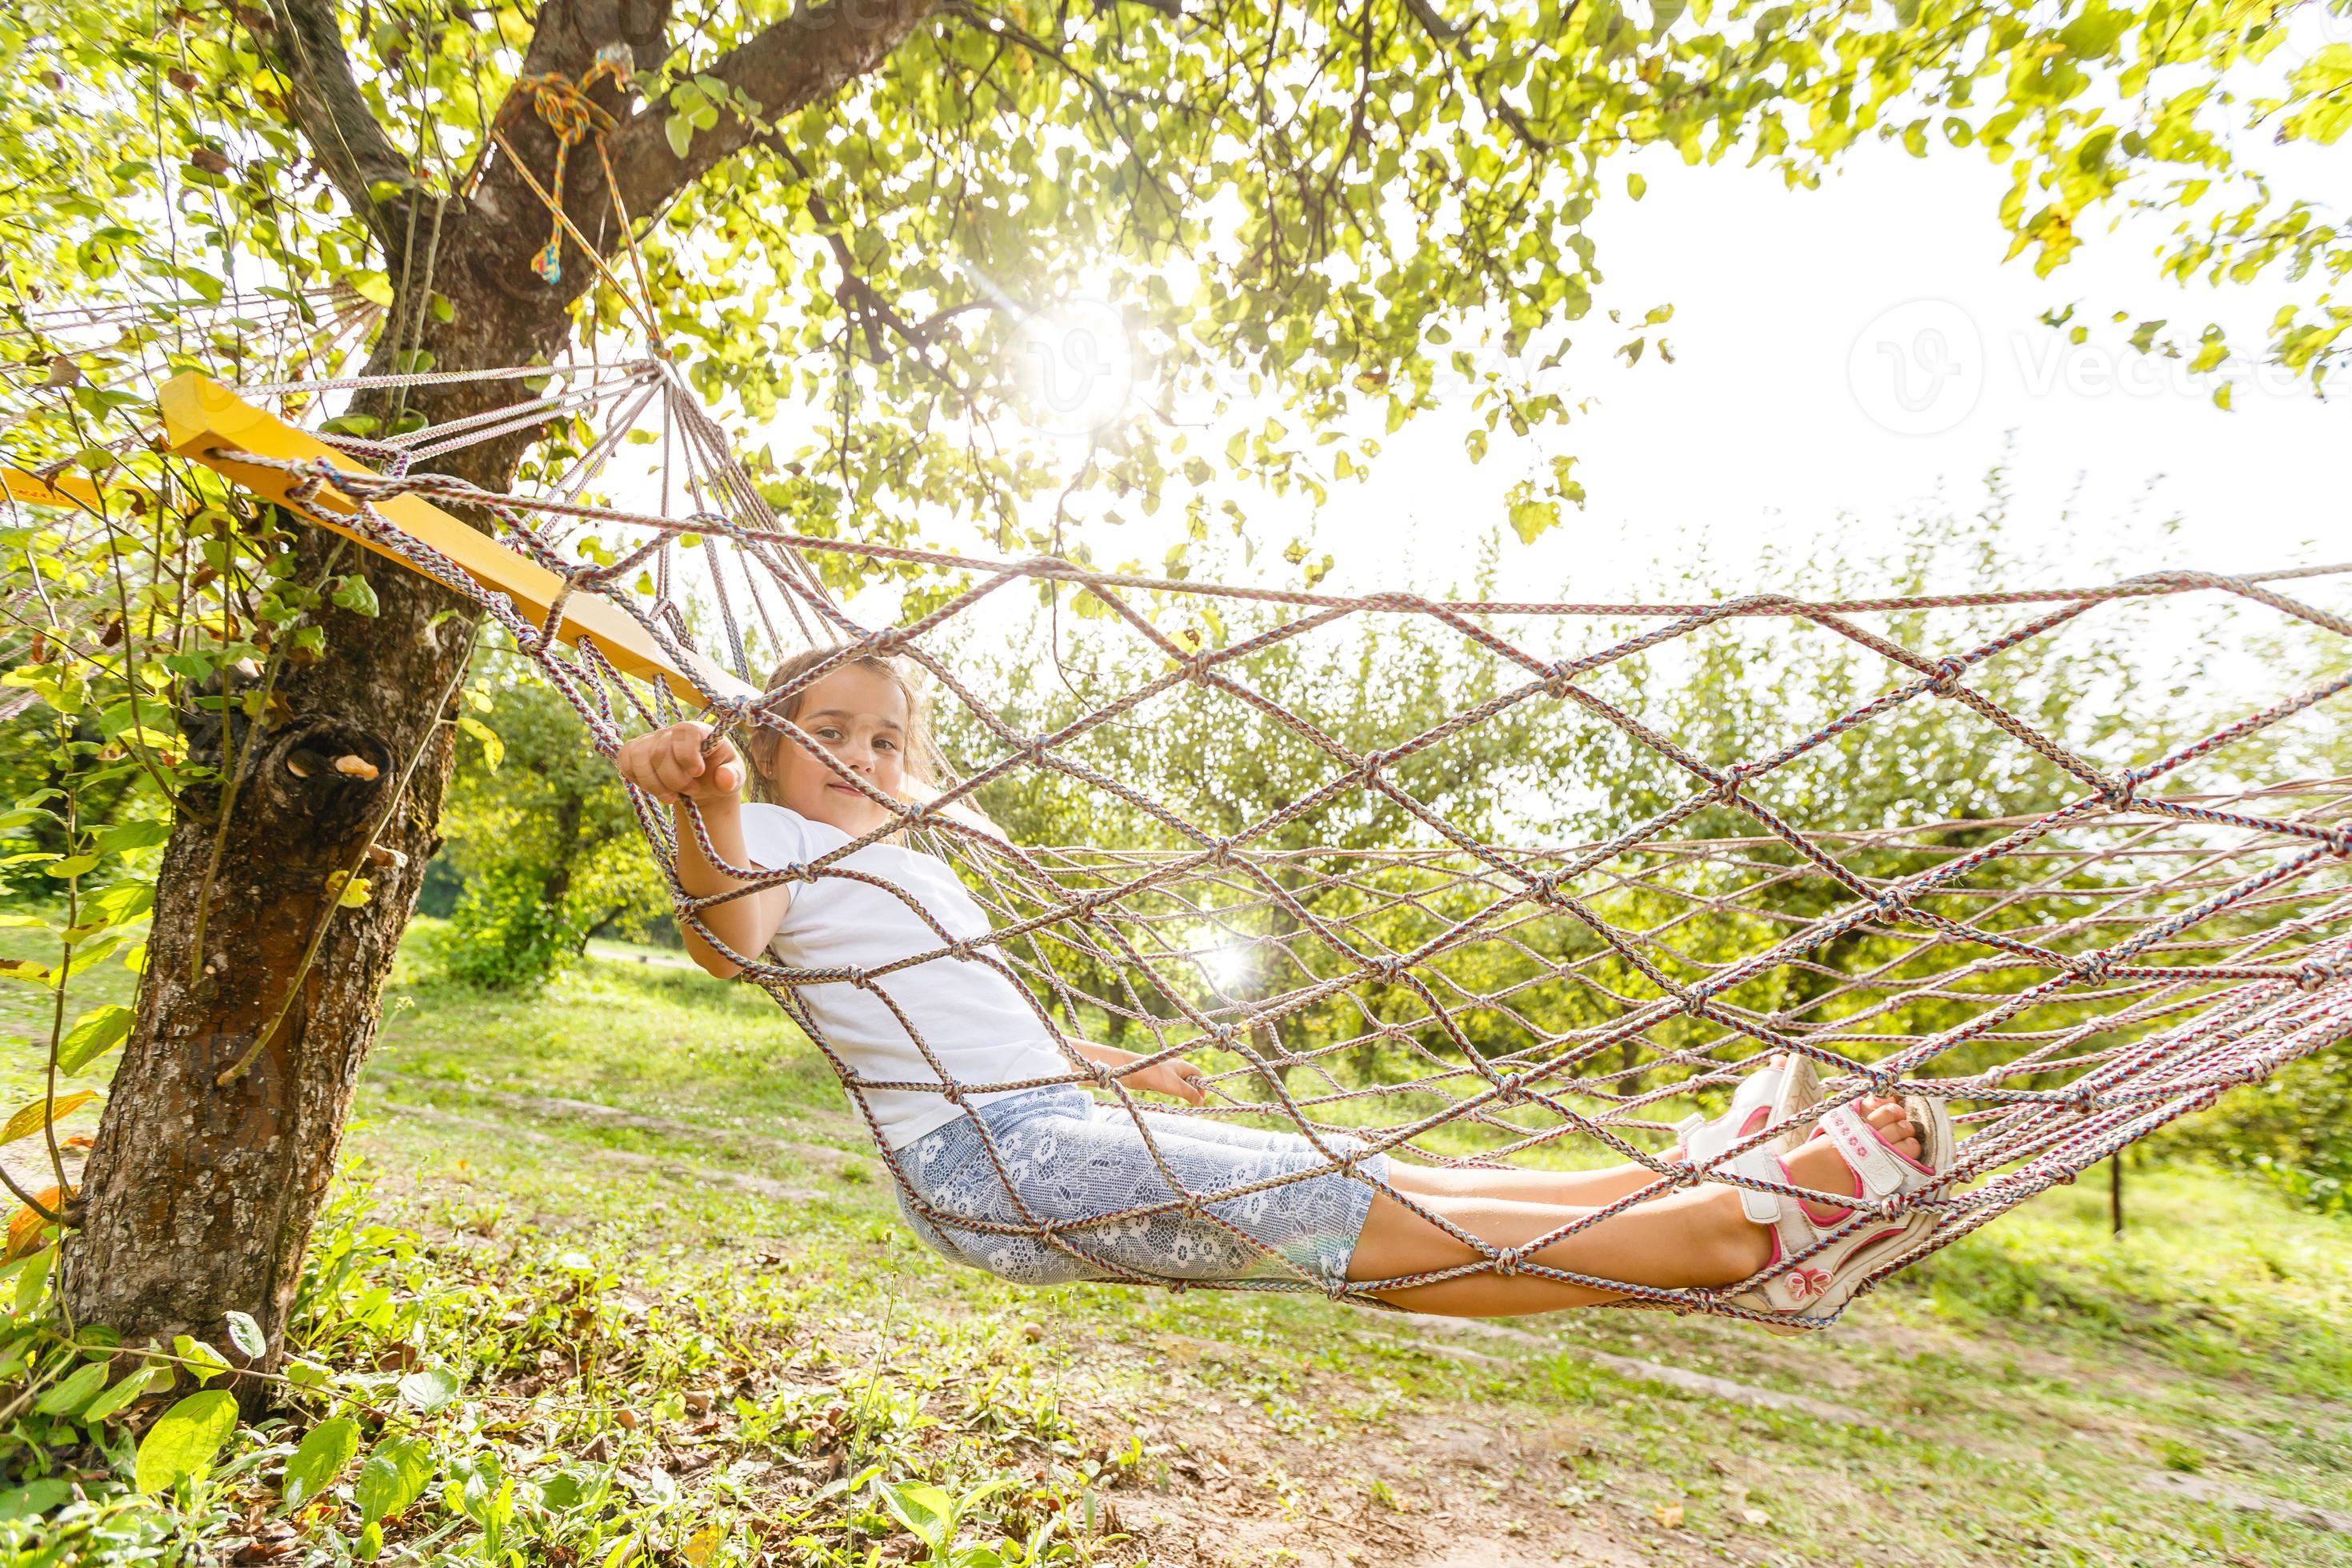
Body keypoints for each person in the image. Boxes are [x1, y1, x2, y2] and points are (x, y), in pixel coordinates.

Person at [616, 647, 1956, 1327]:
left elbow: (964, 1014)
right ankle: (1748, 1242)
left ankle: (1690, 1182)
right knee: (1354, 1219)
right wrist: (703, 804)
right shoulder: (769, 839)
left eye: (886, 738)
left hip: (1049, 1122)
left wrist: (1106, 1064)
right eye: (822, 734)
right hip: (984, 1169)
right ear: (769, 750)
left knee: (1370, 1174)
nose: (856, 753)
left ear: (916, 764)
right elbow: (730, 941)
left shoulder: (915, 863)